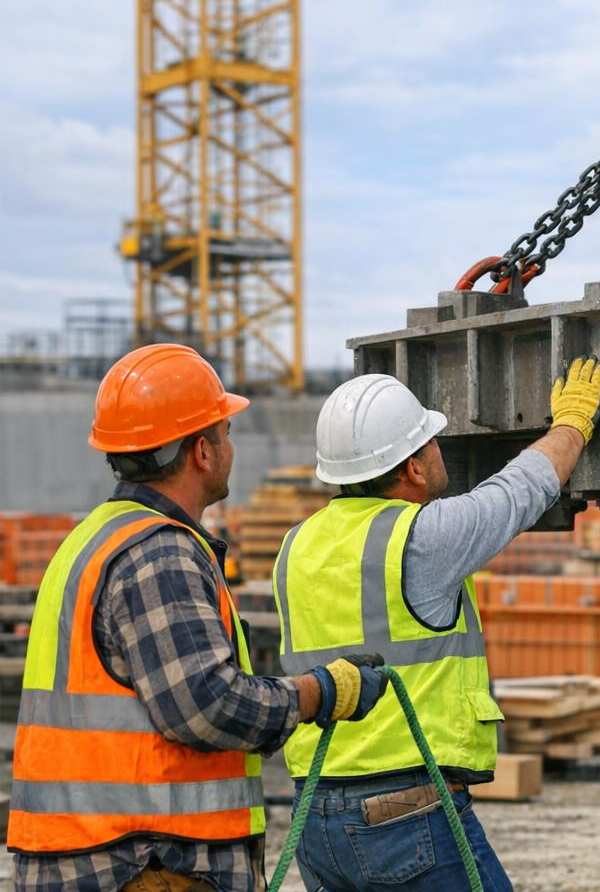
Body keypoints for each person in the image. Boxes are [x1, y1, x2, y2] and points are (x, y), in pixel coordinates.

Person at [7, 343, 388, 892]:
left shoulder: (94, 538)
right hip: (145, 863)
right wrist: (322, 692)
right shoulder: (158, 552)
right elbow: (206, 705)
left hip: (95, 856)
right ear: (202, 452)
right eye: (225, 432)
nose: (230, 445)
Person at [273, 358, 600, 892]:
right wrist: (572, 426)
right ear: (414, 470)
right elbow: (519, 492)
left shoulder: (296, 546)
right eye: (430, 441)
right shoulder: (422, 539)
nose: (439, 449)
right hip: (404, 818)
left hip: (315, 818)